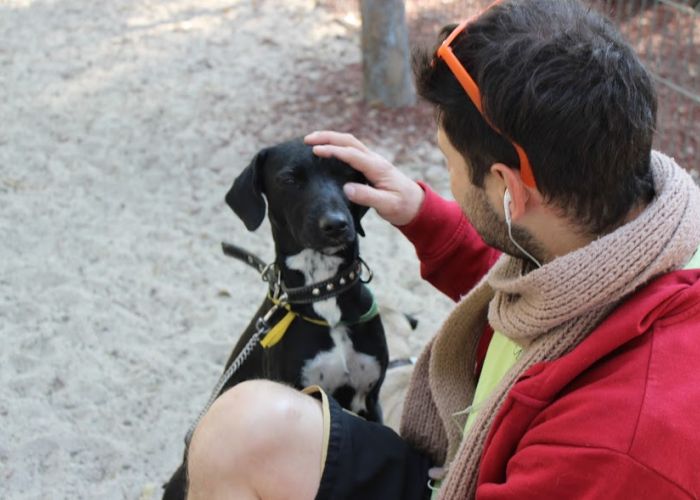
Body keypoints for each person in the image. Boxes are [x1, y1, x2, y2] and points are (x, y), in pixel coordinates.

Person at [186, 0, 700, 498]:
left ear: (509, 190)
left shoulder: (617, 447)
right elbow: (547, 282)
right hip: (493, 443)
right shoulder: (641, 238)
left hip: (477, 476)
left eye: (446, 163)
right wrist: (423, 216)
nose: (444, 181)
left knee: (238, 432)